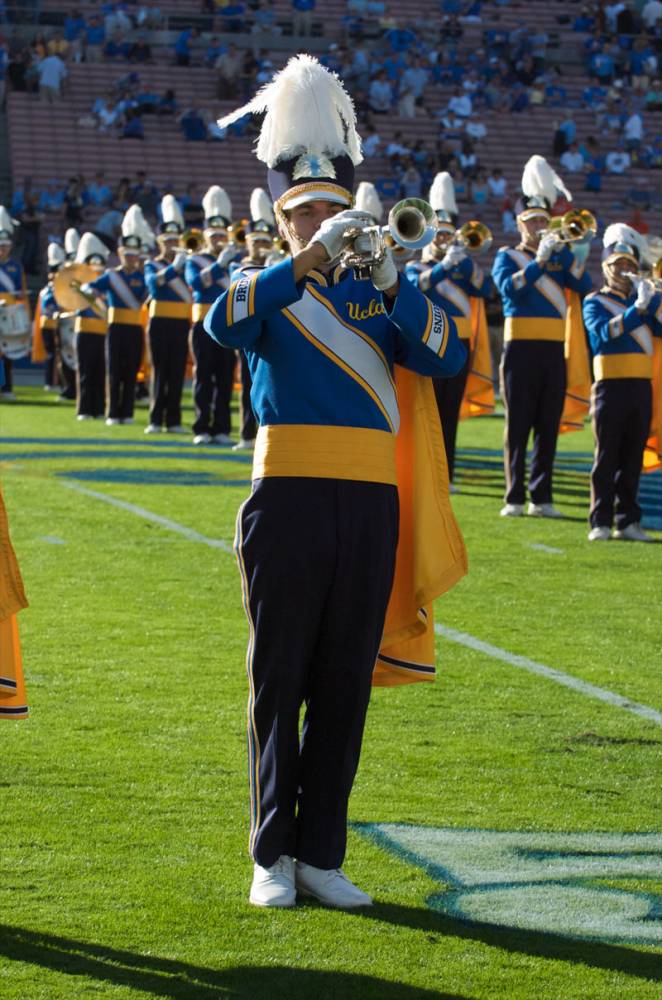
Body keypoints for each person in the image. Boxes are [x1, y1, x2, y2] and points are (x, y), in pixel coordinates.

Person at [205, 54, 467, 910]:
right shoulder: (266, 288)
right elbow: (220, 325)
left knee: (345, 681)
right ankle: (270, 854)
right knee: (278, 676)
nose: (323, 225)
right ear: (284, 223)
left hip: (369, 505)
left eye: (331, 213)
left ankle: (321, 854)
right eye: (305, 215)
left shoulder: (378, 295)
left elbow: (448, 355)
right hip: (285, 500)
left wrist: (394, 277)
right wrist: (306, 261)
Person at [492, 156, 592, 518]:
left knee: (547, 424)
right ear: (520, 224)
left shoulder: (559, 257)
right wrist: (539, 262)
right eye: (531, 221)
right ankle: (514, 497)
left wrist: (575, 253)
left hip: (554, 350)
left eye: (541, 221)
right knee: (517, 424)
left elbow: (585, 286)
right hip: (519, 349)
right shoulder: (508, 256)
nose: (537, 226)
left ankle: (542, 497)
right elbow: (508, 290)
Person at [405, 172, 493, 485]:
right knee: (424, 412)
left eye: (447, 235)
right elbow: (419, 287)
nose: (443, 240)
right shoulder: (417, 266)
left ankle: (447, 474)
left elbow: (486, 291)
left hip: (460, 344)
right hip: (427, 343)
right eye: (438, 234)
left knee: (449, 413)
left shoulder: (462, 267)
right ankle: (422, 470)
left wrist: (464, 261)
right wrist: (445, 266)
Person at [582, 224, 661, 543]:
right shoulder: (595, 302)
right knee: (606, 457)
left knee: (632, 457)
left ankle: (628, 520)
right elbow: (603, 334)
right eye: (618, 265)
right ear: (606, 267)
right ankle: (600, 519)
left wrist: (653, 297)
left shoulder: (645, 302)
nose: (625, 270)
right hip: (609, 387)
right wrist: (637, 309)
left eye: (629, 265)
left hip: (641, 387)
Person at [82, 206, 148, 425]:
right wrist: (100, 308)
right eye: (127, 254)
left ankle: (127, 413)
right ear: (120, 254)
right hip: (115, 328)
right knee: (114, 371)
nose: (130, 258)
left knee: (131, 371)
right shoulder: (111, 276)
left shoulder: (143, 277)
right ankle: (113, 413)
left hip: (134, 328)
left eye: (134, 255)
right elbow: (88, 290)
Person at [185, 185, 237, 446]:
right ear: (206, 237)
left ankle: (222, 428)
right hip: (202, 325)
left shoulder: (235, 260)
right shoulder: (195, 259)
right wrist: (220, 264)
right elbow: (196, 284)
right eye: (213, 235)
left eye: (221, 235)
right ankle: (201, 426)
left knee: (225, 378)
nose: (217, 240)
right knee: (203, 376)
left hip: (228, 324)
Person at [143, 195, 191, 433]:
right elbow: (153, 285)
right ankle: (155, 418)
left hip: (181, 321)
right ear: (160, 243)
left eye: (175, 240)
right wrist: (174, 269)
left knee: (177, 371)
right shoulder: (152, 264)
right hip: (159, 321)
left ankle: (173, 420)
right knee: (159, 370)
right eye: (167, 241)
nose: (172, 245)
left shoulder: (187, 264)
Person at [73, 232, 109, 420]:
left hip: (103, 329)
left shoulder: (106, 281)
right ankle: (85, 409)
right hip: (85, 328)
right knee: (86, 371)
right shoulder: (78, 281)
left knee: (101, 372)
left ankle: (100, 408)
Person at [0, 205, 30, 401]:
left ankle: (7, 388)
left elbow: (22, 293)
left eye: (4, 246)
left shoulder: (16, 267)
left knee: (8, 352)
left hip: (9, 314)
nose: (1, 249)